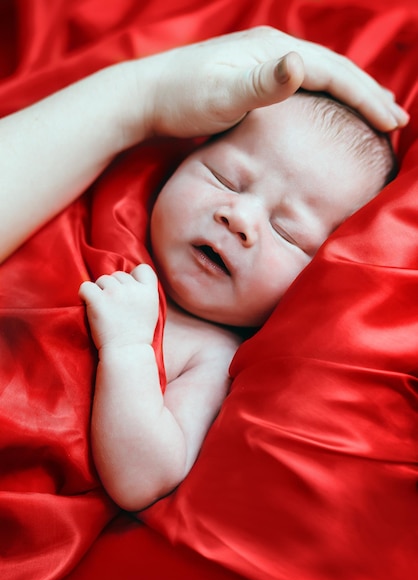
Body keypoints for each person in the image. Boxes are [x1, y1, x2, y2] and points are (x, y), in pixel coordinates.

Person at [0, 26, 408, 511]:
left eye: (287, 232)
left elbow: (145, 477)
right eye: (225, 178)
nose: (240, 218)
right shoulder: (92, 202)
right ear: (183, 154)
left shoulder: (210, 356)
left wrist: (129, 351)